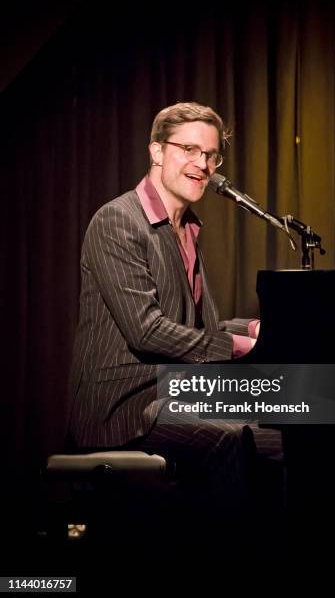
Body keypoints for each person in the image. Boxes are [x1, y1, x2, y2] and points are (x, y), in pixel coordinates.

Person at [67, 102, 282, 522]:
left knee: (291, 432)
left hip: (176, 391)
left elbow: (193, 329)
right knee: (233, 439)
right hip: (125, 405)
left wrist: (259, 326)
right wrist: (238, 345)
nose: (202, 164)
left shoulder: (185, 228)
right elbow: (147, 331)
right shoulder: (118, 221)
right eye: (189, 150)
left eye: (211, 155)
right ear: (157, 151)